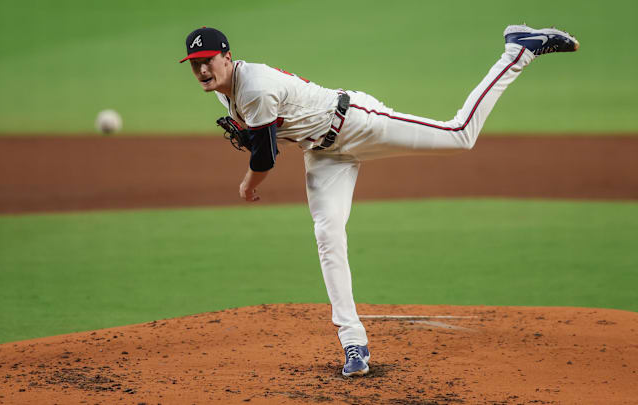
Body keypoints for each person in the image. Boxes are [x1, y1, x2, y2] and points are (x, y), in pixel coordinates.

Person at [180, 25, 579, 377]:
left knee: (460, 134)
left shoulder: (254, 87)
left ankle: (518, 50)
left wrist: (249, 184)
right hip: (323, 155)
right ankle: (354, 342)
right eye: (195, 63)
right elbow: (270, 135)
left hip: (358, 122)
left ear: (227, 57)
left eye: (208, 60)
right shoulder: (226, 92)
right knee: (328, 234)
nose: (201, 70)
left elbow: (265, 157)